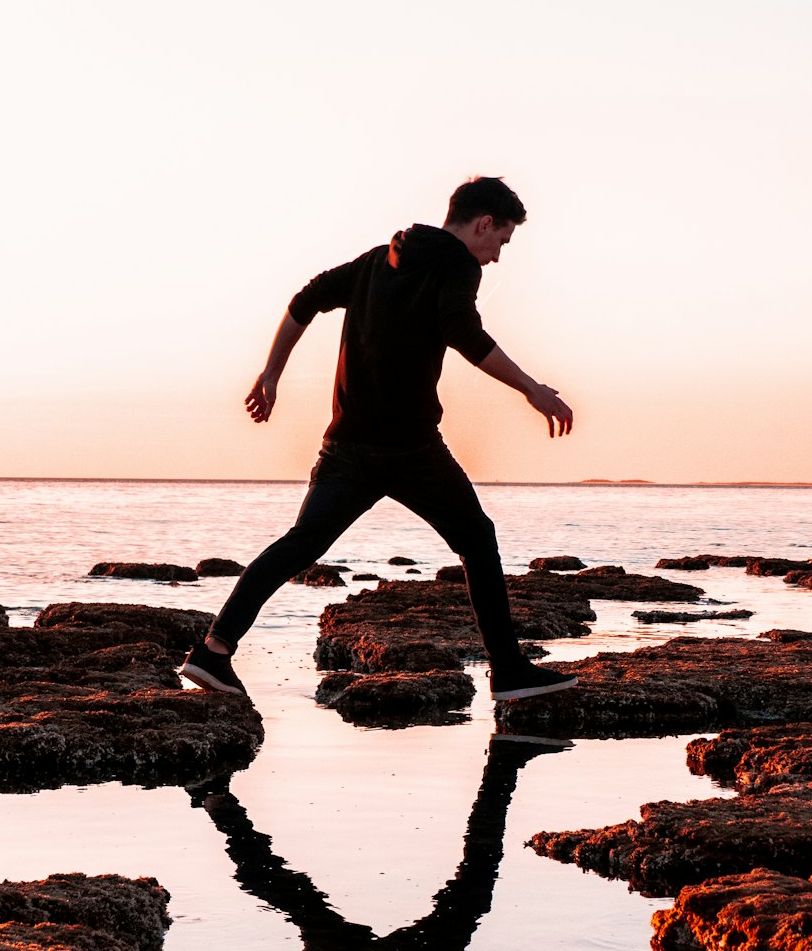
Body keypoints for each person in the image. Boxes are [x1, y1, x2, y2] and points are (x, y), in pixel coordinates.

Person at [183, 176, 577, 701]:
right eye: (501, 241)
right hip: (410, 447)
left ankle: (211, 652)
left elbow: (305, 300)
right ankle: (508, 673)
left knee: (302, 544)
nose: (496, 257)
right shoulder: (455, 264)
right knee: (477, 540)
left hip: (347, 443)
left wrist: (271, 373)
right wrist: (532, 388)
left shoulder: (376, 260)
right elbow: (464, 332)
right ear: (483, 223)